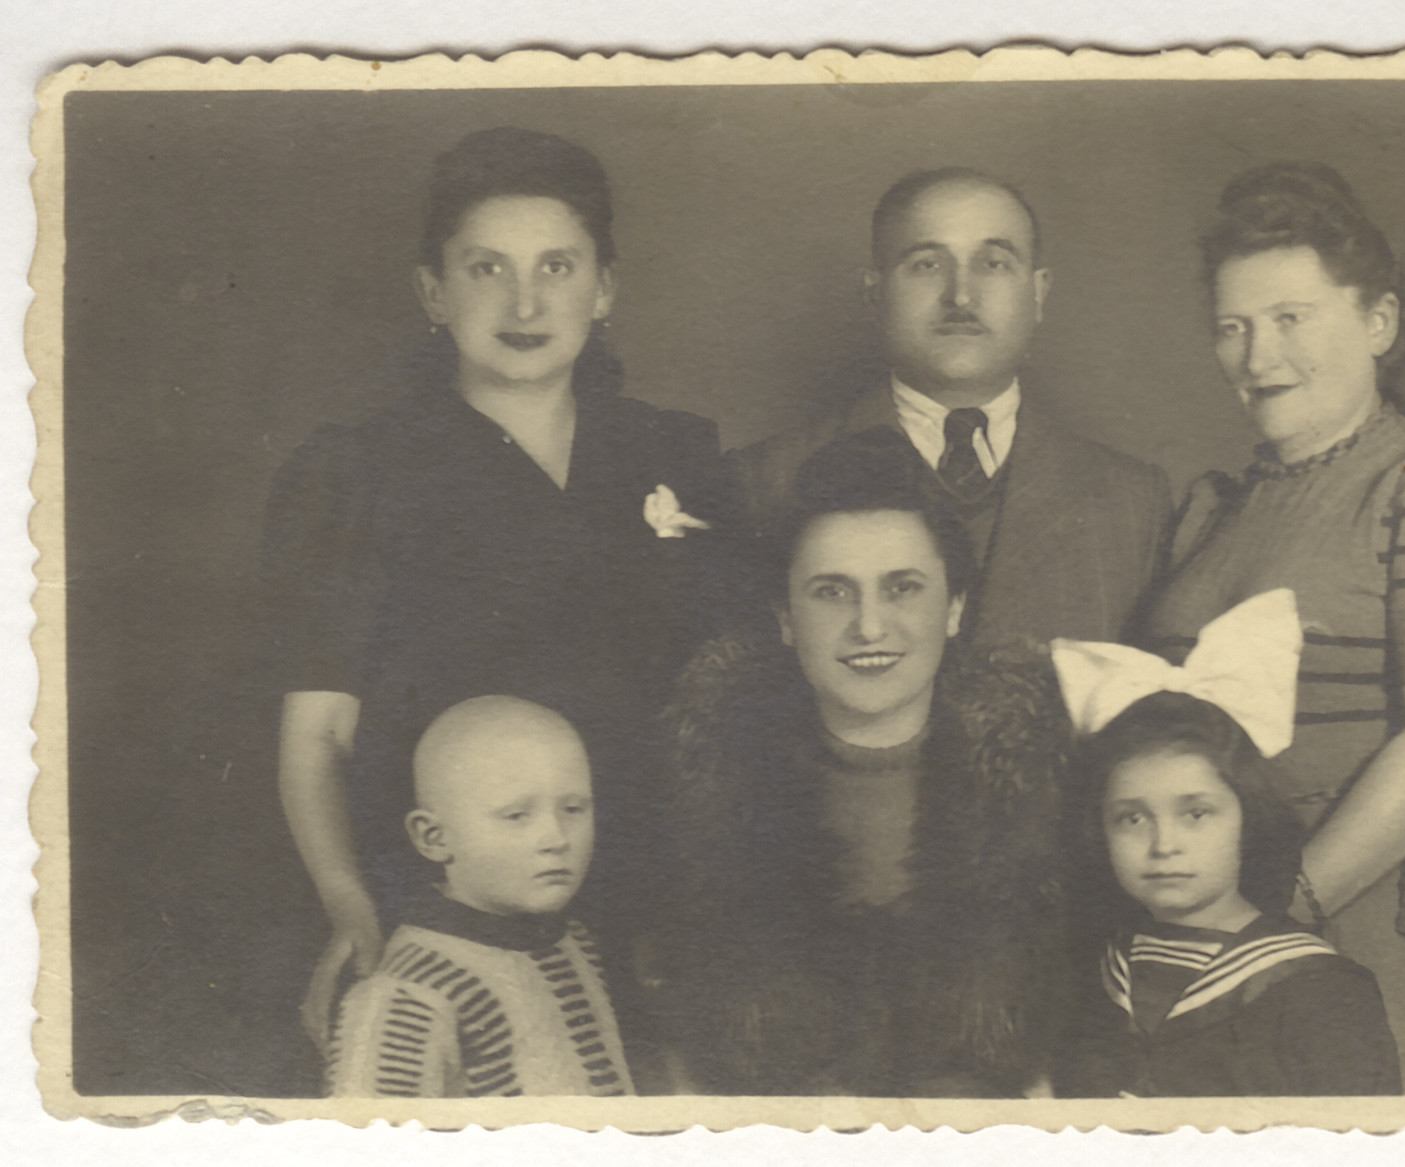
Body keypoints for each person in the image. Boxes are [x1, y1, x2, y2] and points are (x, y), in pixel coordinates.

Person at [261, 127, 736, 1054]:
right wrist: (349, 899)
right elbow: (314, 736)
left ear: (604, 288)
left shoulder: (672, 454)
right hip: (443, 904)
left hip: (651, 899)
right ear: (433, 292)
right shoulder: (356, 473)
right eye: (487, 269)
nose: (526, 301)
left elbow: (726, 698)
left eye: (557, 266)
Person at [1140, 162, 1405, 1093]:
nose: (1258, 355)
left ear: (1379, 323)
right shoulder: (1214, 507)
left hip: (1373, 914)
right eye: (1233, 327)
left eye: (1291, 318)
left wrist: (1277, 916)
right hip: (1222, 912)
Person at [662, 429, 1072, 1096]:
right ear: (785, 617)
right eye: (832, 591)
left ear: (956, 608)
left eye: (903, 587)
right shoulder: (712, 785)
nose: (870, 626)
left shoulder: (1044, 782)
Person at [734, 167, 1171, 648]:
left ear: (1038, 292)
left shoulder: (1133, 502)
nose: (961, 296)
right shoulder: (762, 481)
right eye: (927, 264)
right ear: (875, 295)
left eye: (994, 263)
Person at [1050, 590, 1400, 1097]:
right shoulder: (1108, 970)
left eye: (1196, 814)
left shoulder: (1316, 988)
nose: (1163, 844)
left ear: (1247, 815)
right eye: (1131, 819)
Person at [328, 696, 635, 1097]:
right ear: (433, 838)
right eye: (516, 816)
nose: (557, 839)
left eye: (574, 809)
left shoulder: (573, 943)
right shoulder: (409, 993)